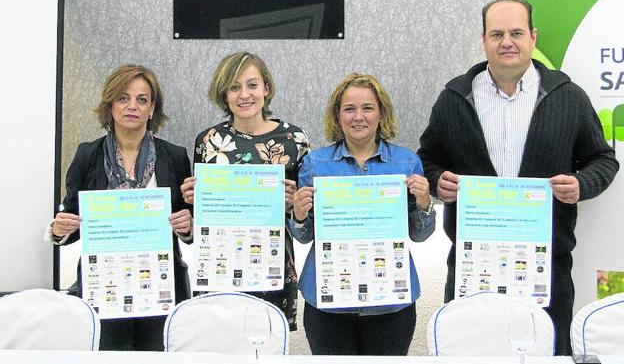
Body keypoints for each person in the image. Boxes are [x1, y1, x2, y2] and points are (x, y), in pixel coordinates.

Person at [417, 0, 619, 355]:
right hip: (472, 267)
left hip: (547, 268)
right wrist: (438, 182)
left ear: (533, 37)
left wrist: (580, 184)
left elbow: (603, 159)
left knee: (547, 355)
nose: (506, 42)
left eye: (515, 32)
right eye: (496, 34)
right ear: (484, 40)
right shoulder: (453, 98)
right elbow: (428, 159)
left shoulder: (568, 97)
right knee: (470, 357)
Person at [45, 64, 193, 350]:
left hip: (161, 286)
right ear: (110, 106)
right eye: (123, 98)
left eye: (142, 99)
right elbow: (73, 218)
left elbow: (187, 223)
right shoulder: (88, 154)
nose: (132, 106)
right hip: (105, 284)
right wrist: (58, 229)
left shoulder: (174, 156)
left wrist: (186, 227)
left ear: (152, 109)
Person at [290, 73, 435, 355]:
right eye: (349, 108)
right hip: (327, 302)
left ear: (381, 113)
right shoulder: (314, 163)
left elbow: (420, 235)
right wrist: (298, 216)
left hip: (391, 303)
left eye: (367, 108)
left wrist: (424, 203)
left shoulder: (406, 162)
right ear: (337, 115)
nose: (359, 116)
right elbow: (305, 235)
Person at [180, 52, 310, 331]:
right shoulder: (208, 140)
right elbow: (197, 220)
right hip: (219, 265)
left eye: (252, 85)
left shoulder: (294, 140)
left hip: (273, 266)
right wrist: (194, 201)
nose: (244, 94)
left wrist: (294, 203)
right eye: (234, 87)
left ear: (266, 88)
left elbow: (304, 219)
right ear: (224, 94)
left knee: (269, 346)